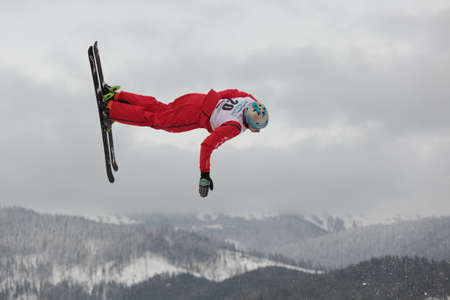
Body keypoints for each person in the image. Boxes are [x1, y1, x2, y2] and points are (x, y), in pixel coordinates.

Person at [100, 85, 269, 197]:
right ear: (250, 122)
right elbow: (207, 146)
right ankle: (111, 110)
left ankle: (115, 96)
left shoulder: (250, 100)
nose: (258, 131)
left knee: (159, 108)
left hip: (196, 99)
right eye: (257, 127)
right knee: (155, 120)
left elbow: (231, 92)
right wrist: (204, 175)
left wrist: (214, 103)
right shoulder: (235, 126)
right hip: (194, 114)